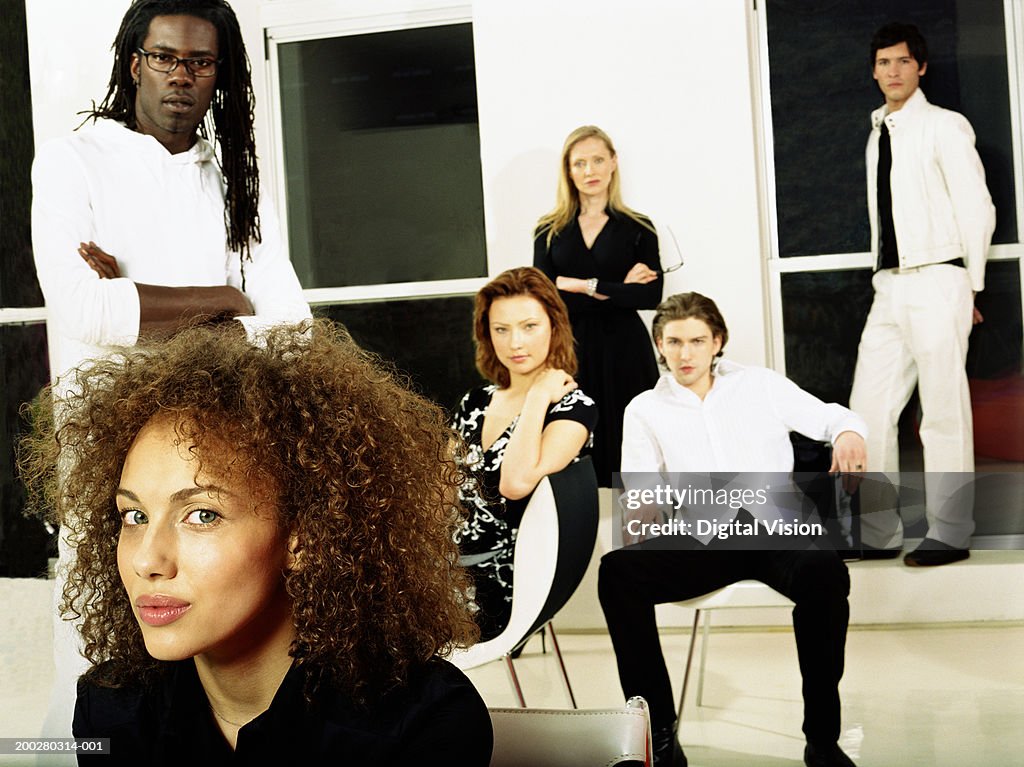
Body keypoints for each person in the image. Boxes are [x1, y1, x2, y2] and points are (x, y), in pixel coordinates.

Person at [19, 320, 493, 765]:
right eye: (134, 515)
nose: (147, 560)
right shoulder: (112, 713)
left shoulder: (425, 726)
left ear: (305, 535)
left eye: (202, 515)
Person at [30, 0, 311, 744]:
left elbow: (289, 327)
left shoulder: (235, 183)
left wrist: (139, 295)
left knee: (207, 642)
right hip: (107, 448)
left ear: (219, 75)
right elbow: (85, 310)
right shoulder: (72, 161)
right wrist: (224, 297)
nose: (181, 77)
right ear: (134, 63)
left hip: (214, 450)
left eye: (200, 62)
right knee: (100, 644)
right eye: (164, 58)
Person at [598, 293, 866, 767]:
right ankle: (657, 735)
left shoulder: (760, 385)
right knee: (617, 572)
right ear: (659, 345)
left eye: (697, 340)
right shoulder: (644, 409)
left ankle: (822, 740)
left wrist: (848, 433)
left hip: (777, 527)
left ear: (717, 342)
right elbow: (641, 487)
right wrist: (643, 508)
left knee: (825, 570)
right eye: (674, 341)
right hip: (705, 534)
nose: (685, 354)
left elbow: (831, 416)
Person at [849, 22, 996, 566]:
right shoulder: (876, 134)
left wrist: (969, 285)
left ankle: (951, 532)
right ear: (874, 70)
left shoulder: (943, 126)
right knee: (867, 409)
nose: (892, 71)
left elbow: (977, 208)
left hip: (939, 279)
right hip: (889, 286)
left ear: (921, 67)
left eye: (903, 62)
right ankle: (878, 531)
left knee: (941, 411)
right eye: (884, 62)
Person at [452, 267, 597, 641]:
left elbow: (514, 483)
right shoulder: (475, 402)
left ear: (554, 325)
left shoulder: (573, 408)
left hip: (500, 585)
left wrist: (535, 397)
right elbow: (439, 489)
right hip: (446, 569)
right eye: (501, 329)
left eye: (529, 326)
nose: (515, 342)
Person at [533, 125, 662, 487]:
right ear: (568, 170)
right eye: (580, 163)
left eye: (597, 160)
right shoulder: (549, 230)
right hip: (569, 349)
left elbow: (649, 298)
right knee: (571, 444)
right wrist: (618, 288)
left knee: (633, 441)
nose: (589, 171)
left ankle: (645, 535)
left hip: (626, 349)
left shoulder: (638, 227)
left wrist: (580, 284)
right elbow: (545, 297)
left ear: (613, 163)